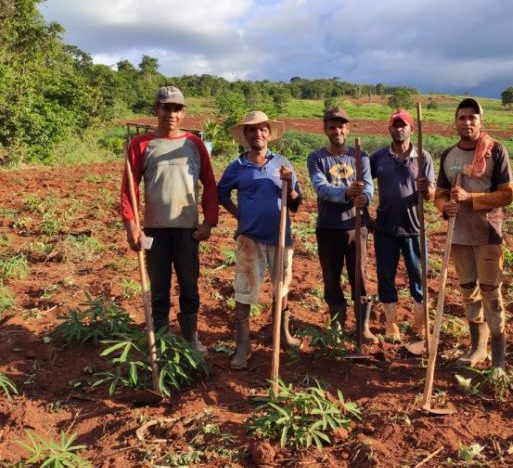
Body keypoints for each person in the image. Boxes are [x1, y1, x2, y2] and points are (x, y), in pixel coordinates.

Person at [121, 85, 218, 353]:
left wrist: (208, 222)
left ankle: (190, 339)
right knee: (159, 289)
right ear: (157, 110)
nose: (171, 114)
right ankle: (160, 341)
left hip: (188, 230)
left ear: (183, 112)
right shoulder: (141, 144)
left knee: (189, 287)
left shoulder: (195, 144)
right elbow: (129, 189)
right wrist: (132, 227)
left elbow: (209, 184)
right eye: (166, 107)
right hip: (154, 231)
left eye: (177, 108)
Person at [217, 111, 302, 369]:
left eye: (262, 129)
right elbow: (222, 193)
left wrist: (290, 184)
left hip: (280, 237)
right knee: (244, 290)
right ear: (245, 135)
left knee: (282, 286)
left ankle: (282, 334)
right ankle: (243, 346)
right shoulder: (237, 167)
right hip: (250, 239)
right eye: (251, 130)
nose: (257, 134)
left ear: (269, 133)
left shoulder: (283, 164)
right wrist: (239, 215)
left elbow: (296, 203)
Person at [435, 98, 513, 368]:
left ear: (481, 121)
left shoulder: (496, 151)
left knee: (491, 293)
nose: (467, 122)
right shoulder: (449, 155)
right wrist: (446, 206)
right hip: (458, 236)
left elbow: (506, 195)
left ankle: (500, 358)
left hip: (487, 234)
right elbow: (439, 194)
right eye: (462, 118)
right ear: (455, 122)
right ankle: (477, 348)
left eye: (472, 118)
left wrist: (470, 197)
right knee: (469, 292)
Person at [307, 106, 377, 343]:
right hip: (328, 226)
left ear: (347, 129)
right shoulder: (317, 158)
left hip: (357, 227)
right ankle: (337, 325)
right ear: (325, 129)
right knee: (331, 277)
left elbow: (368, 184)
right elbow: (321, 188)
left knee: (360, 275)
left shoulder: (361, 157)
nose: (336, 130)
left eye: (340, 126)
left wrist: (364, 197)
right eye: (332, 126)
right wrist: (347, 192)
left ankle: (363, 326)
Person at [370, 109, 435, 341]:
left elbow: (431, 194)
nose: (399, 129)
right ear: (389, 129)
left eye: (403, 125)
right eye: (395, 125)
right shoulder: (378, 157)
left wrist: (426, 188)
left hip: (414, 228)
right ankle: (391, 325)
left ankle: (419, 324)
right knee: (385, 276)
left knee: (418, 276)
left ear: (411, 129)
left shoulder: (423, 157)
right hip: (385, 228)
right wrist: (367, 216)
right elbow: (365, 185)